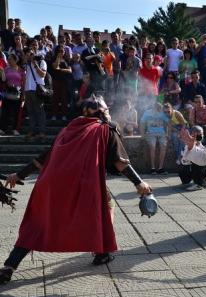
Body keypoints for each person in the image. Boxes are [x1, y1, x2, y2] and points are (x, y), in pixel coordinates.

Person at [0, 96, 152, 284]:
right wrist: (139, 183)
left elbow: (44, 158)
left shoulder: (68, 129)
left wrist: (20, 175)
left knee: (36, 225)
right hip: (84, 183)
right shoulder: (106, 128)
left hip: (50, 184)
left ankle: (9, 267)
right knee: (105, 208)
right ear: (103, 112)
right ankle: (102, 252)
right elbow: (120, 163)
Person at [140, 101, 170, 175]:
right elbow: (142, 123)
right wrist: (142, 134)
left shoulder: (162, 112)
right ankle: (152, 168)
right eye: (158, 109)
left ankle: (160, 168)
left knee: (163, 146)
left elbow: (169, 123)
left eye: (160, 109)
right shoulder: (147, 113)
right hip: (151, 133)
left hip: (162, 133)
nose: (160, 110)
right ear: (154, 108)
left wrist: (168, 134)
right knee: (152, 147)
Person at [24, 47, 47, 140]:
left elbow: (42, 75)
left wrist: (35, 64)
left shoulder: (42, 62)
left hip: (37, 90)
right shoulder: (27, 64)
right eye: (29, 54)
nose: (30, 55)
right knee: (30, 112)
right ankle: (31, 131)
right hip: (28, 90)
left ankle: (42, 132)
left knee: (40, 111)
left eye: (31, 54)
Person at [179, 125, 206, 191]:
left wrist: (198, 145)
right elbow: (184, 160)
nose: (200, 136)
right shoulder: (187, 142)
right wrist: (191, 147)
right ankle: (195, 180)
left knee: (198, 162)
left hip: (205, 165)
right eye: (196, 135)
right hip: (190, 166)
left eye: (201, 134)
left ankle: (200, 183)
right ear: (191, 135)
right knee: (184, 179)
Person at [0, 53, 25, 136]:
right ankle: (3, 128)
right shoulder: (6, 69)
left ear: (15, 60)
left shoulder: (21, 70)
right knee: (5, 112)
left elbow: (23, 83)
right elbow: (3, 79)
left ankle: (15, 129)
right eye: (8, 59)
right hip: (7, 93)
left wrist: (23, 94)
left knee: (16, 113)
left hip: (17, 94)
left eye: (10, 59)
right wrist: (2, 71)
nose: (9, 60)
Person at [50, 45, 72, 121]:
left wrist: (61, 69)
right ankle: (54, 115)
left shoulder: (66, 59)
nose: (61, 52)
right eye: (60, 51)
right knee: (55, 98)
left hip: (65, 82)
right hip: (56, 81)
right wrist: (58, 58)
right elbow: (55, 66)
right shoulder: (53, 58)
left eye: (62, 51)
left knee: (64, 99)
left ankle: (64, 115)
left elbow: (70, 70)